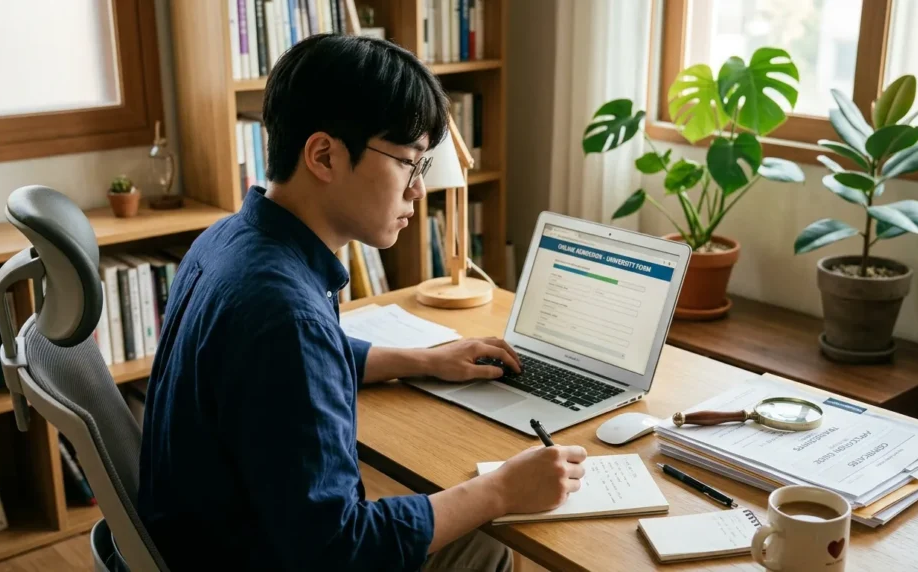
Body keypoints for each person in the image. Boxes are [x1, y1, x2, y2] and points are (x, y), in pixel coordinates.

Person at [137, 34, 587, 571]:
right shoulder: (286, 314)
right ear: (324, 155)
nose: (418, 190)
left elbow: (292, 358)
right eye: (408, 163)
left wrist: (423, 359)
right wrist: (500, 491)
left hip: (198, 537)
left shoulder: (231, 239)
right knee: (487, 543)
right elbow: (339, 549)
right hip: (253, 555)